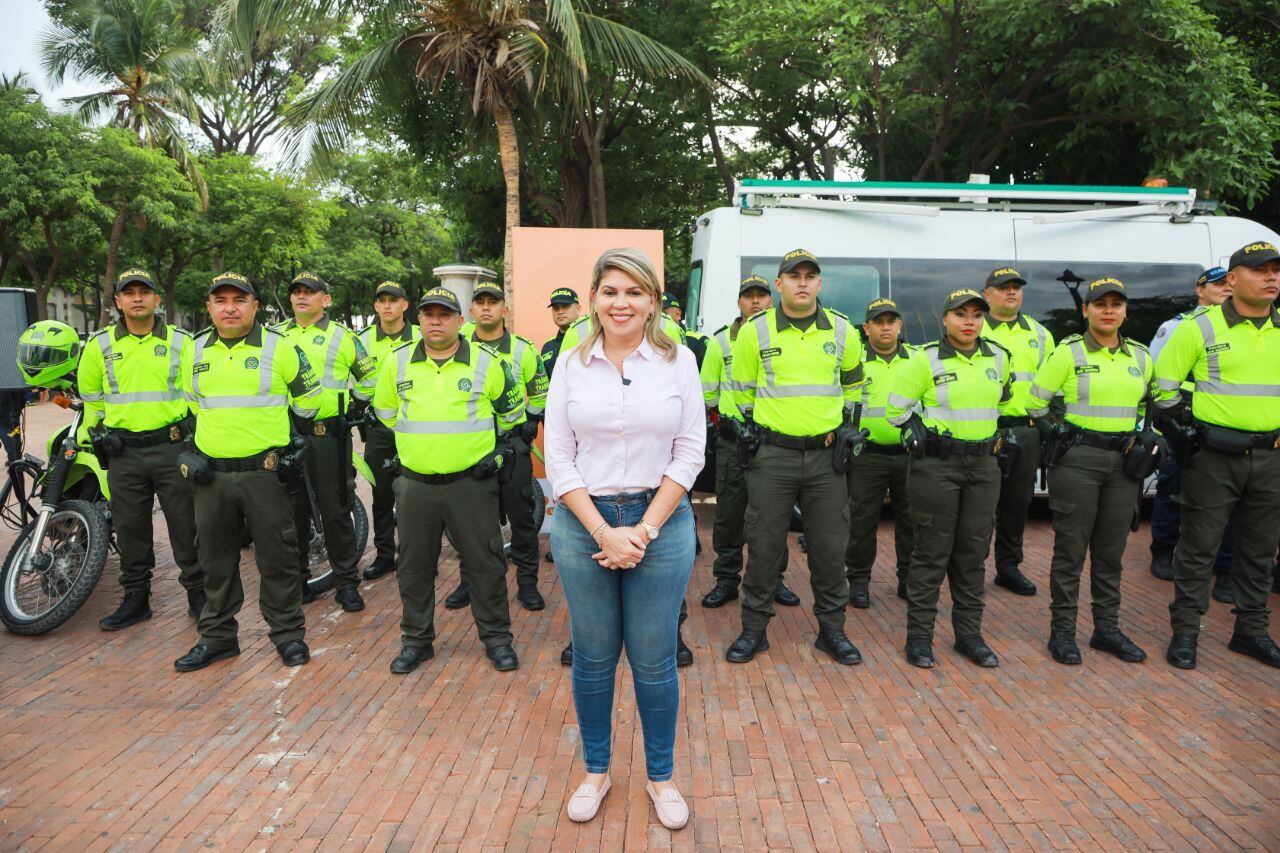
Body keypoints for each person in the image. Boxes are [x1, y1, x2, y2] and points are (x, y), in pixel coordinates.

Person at [544, 247, 703, 830]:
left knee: (655, 660)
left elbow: (690, 451)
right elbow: (558, 456)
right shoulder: (571, 363)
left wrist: (642, 529)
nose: (621, 302)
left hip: (659, 525)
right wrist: (603, 532)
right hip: (583, 522)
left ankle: (661, 777)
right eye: (610, 291)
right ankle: (597, 771)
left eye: (634, 292)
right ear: (593, 299)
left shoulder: (678, 361)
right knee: (592, 658)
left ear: (653, 302)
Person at [373, 286, 526, 675]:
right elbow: (387, 413)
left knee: (485, 564)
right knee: (413, 566)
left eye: (445, 314)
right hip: (415, 485)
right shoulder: (397, 363)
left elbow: (511, 414)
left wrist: (491, 452)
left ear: (461, 321)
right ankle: (417, 642)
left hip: (470, 486)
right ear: (418, 320)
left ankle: (497, 640)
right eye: (428, 314)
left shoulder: (486, 362)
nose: (436, 321)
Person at [724, 249, 865, 667]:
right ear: (779, 284)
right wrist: (752, 430)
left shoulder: (843, 331)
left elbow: (855, 387)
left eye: (810, 276)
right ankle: (754, 630)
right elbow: (741, 390)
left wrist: (848, 427)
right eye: (793, 275)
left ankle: (832, 632)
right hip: (773, 457)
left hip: (826, 459)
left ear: (819, 284)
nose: (802, 282)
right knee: (764, 544)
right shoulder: (756, 331)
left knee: (829, 546)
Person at [175, 272, 321, 672]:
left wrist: (289, 439)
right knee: (215, 561)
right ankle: (218, 638)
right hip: (212, 477)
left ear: (255, 306)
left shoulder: (281, 347)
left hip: (265, 475)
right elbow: (192, 404)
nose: (230, 307)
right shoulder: (194, 349)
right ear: (209, 307)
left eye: (239, 300)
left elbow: (310, 401)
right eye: (220, 300)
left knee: (278, 559)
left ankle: (289, 635)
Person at [1155, 241, 1280, 671]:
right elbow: (1162, 390)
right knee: (1198, 548)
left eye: (1276, 270)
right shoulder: (1198, 327)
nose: (1272, 277)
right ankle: (1186, 633)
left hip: (1271, 459)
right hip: (1214, 458)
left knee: (1260, 551)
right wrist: (1190, 435)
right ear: (1232, 279)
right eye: (1260, 270)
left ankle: (1251, 632)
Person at [1027, 278, 1155, 665]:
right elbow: (1035, 403)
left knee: (1111, 552)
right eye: (1100, 305)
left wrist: (1145, 436)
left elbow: (1151, 404)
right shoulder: (1068, 353)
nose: (1109, 311)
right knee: (1070, 551)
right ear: (1086, 310)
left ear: (1125, 311)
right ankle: (1062, 632)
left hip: (1123, 466)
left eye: (1117, 304)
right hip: (1078, 461)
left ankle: (1106, 630)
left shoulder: (1141, 357)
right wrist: (1056, 430)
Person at [886, 288, 1014, 669]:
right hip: (937, 467)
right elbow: (895, 409)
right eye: (961, 314)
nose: (970, 321)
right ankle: (920, 639)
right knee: (931, 553)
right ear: (945, 319)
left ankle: (969, 637)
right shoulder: (925, 360)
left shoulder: (999, 358)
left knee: (973, 555)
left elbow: (1002, 401)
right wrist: (916, 428)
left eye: (976, 314)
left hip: (983, 468)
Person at [78, 268, 204, 630]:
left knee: (186, 525)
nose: (137, 298)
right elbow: (92, 398)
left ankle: (198, 594)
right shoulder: (99, 345)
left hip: (172, 449)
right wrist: (98, 435)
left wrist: (196, 440)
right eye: (129, 292)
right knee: (130, 528)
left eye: (144, 292)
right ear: (117, 301)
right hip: (124, 454)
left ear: (156, 300)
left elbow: (197, 395)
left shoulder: (182, 342)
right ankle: (136, 599)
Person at [443, 282, 549, 611]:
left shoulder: (523, 349)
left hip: (511, 444)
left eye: (493, 302)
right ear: (471, 311)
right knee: (470, 522)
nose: (486, 307)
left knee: (521, 516)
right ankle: (469, 581)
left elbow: (541, 392)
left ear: (505, 309)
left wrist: (531, 421)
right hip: (470, 447)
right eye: (480, 302)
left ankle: (528, 583)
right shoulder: (454, 349)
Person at [275, 272, 377, 611]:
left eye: (310, 292)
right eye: (296, 292)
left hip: (326, 437)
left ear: (325, 299)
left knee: (334, 510)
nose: (302, 297)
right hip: (284, 436)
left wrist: (351, 408)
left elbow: (370, 378)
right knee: (292, 513)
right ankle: (299, 581)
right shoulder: (275, 337)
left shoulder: (343, 337)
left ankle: (346, 582)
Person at [699, 275, 798, 609]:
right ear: (739, 302)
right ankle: (726, 580)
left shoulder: (784, 338)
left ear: (771, 300)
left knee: (774, 515)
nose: (755, 302)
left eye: (761, 296)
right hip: (733, 443)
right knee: (729, 515)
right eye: (748, 297)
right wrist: (723, 422)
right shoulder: (720, 342)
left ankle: (775, 580)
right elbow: (707, 391)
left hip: (772, 442)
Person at [1147, 267, 1235, 599]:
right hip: (1183, 418)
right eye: (1217, 284)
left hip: (1225, 423)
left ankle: (1224, 566)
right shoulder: (1177, 327)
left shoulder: (1243, 328)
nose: (1225, 288)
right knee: (1173, 484)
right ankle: (1163, 551)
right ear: (1200, 290)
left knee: (1230, 499)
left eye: (1229, 283)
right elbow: (1157, 377)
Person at [981, 267, 1053, 596]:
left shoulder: (1039, 334)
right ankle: (970, 568)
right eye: (1003, 287)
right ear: (988, 294)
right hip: (984, 429)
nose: (1011, 292)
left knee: (1017, 504)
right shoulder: (973, 326)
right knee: (978, 504)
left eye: (1016, 288)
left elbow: (1054, 384)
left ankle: (1008, 567)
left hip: (1026, 430)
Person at [844, 298, 915, 609]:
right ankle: (859, 580)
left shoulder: (917, 359)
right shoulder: (854, 360)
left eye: (891, 321)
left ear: (900, 325)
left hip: (909, 454)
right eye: (879, 322)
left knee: (912, 520)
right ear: (867, 327)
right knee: (861, 522)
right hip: (867, 456)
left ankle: (908, 578)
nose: (886, 327)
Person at [357, 281, 420, 581]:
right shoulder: (362, 340)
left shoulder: (422, 337)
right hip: (379, 429)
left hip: (415, 429)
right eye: (381, 300)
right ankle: (384, 555)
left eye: (393, 300)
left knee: (415, 494)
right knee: (381, 493)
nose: (387, 306)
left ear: (405, 304)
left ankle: (415, 555)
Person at [540, 287, 581, 378]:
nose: (560, 312)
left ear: (578, 309)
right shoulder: (547, 346)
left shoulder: (589, 337)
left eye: (565, 306)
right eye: (556, 308)